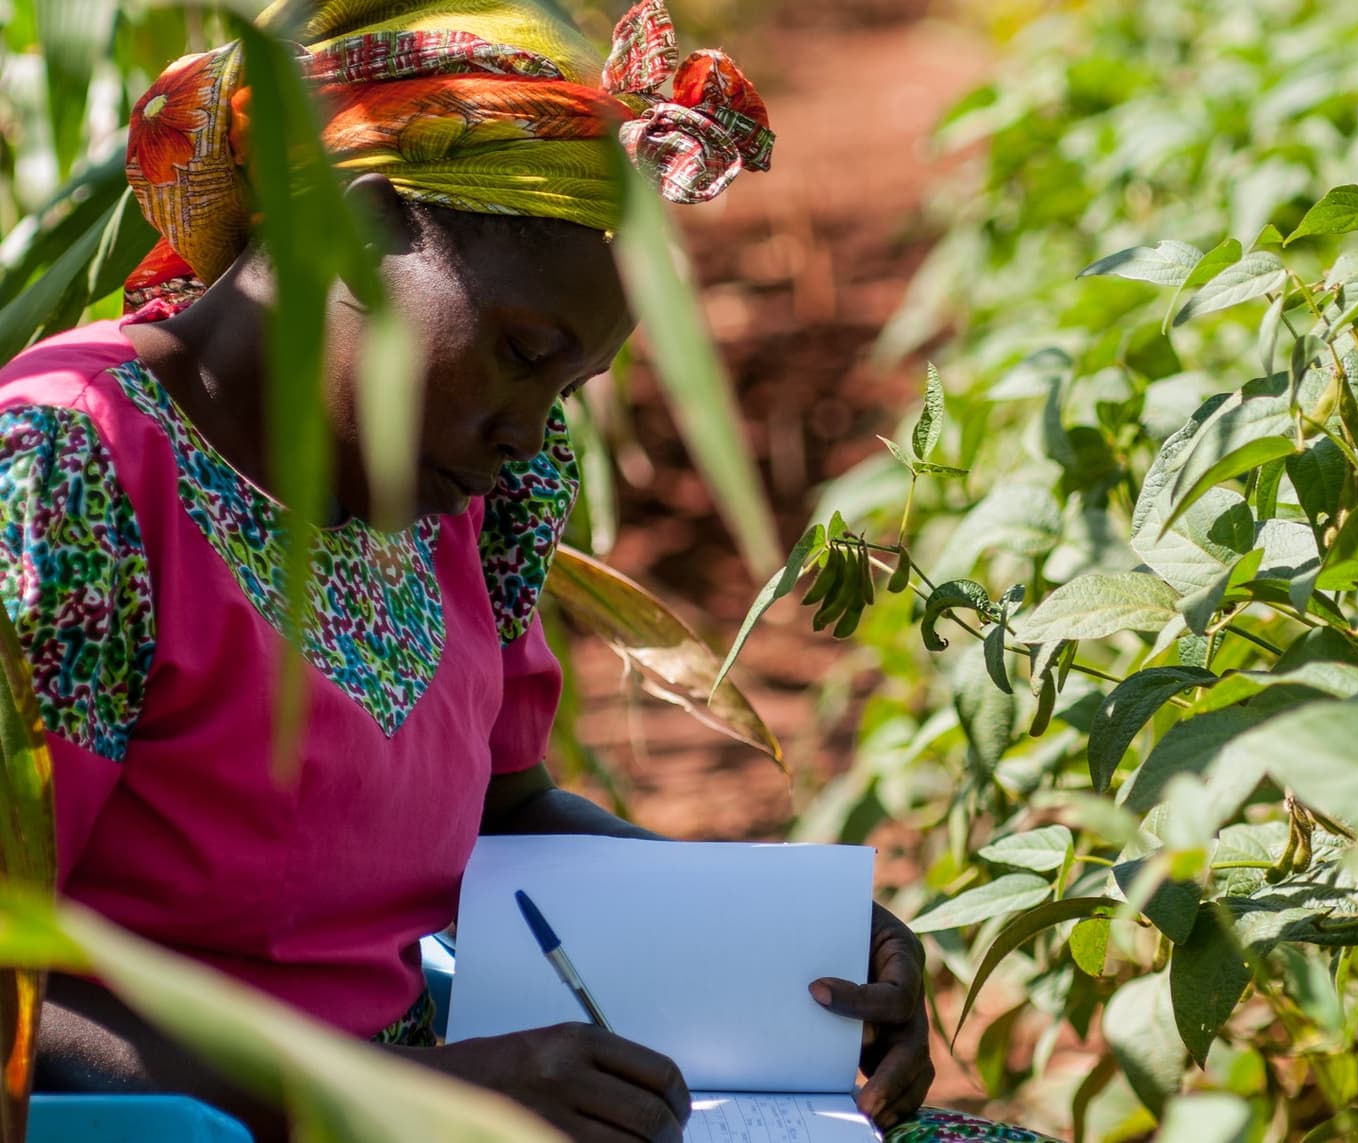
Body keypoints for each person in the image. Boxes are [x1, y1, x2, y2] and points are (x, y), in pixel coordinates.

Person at [3, 1, 1054, 1140]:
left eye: (568, 387)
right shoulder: (69, 482)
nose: (531, 428)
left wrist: (792, 940)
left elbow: (508, 815)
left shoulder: (461, 478)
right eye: (520, 355)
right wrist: (402, 1097)